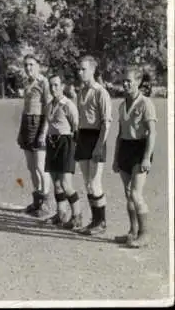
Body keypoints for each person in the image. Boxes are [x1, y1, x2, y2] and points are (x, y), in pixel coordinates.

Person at [112, 67, 157, 248]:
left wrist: (146, 157)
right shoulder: (123, 105)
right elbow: (120, 134)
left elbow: (152, 133)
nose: (126, 84)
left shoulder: (146, 103)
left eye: (129, 81)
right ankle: (133, 231)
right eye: (124, 81)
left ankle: (145, 234)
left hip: (140, 149)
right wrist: (116, 158)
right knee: (128, 193)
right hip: (125, 149)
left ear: (138, 82)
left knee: (136, 194)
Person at [75, 55, 112, 235]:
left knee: (95, 183)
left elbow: (106, 122)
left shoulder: (101, 92)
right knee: (87, 183)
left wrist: (99, 146)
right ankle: (94, 221)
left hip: (96, 138)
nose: (80, 72)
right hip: (83, 137)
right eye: (79, 69)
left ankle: (101, 222)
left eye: (83, 69)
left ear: (92, 70)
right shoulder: (81, 92)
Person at [43, 74, 82, 229]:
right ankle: (61, 214)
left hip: (65, 143)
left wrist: (75, 148)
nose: (53, 88)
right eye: (51, 85)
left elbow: (76, 127)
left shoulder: (68, 105)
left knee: (66, 184)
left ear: (63, 86)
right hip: (52, 144)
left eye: (56, 85)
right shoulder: (49, 105)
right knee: (56, 183)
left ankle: (77, 216)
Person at [16, 55, 52, 217]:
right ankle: (37, 200)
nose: (28, 68)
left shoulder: (44, 83)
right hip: (27, 123)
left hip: (39, 123)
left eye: (31, 64)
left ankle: (46, 202)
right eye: (26, 65)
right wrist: (21, 131)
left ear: (39, 65)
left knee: (40, 166)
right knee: (31, 167)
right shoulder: (27, 83)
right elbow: (26, 107)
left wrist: (43, 132)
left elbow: (49, 109)